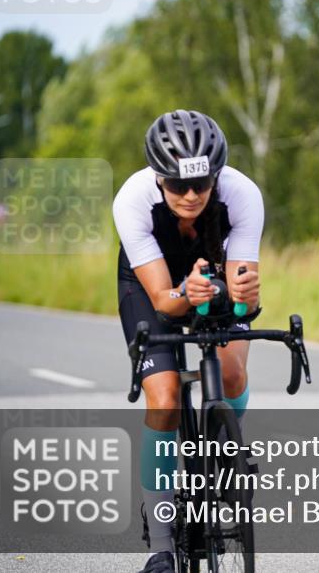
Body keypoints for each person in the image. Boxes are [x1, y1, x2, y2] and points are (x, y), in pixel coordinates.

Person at [113, 110, 263, 573]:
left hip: (212, 278)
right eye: (178, 186)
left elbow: (242, 294)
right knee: (165, 398)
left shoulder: (242, 196)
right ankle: (160, 544)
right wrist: (184, 292)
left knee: (233, 370)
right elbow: (162, 299)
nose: (193, 195)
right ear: (158, 178)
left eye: (203, 184)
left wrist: (241, 296)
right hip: (153, 286)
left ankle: (226, 447)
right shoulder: (132, 201)